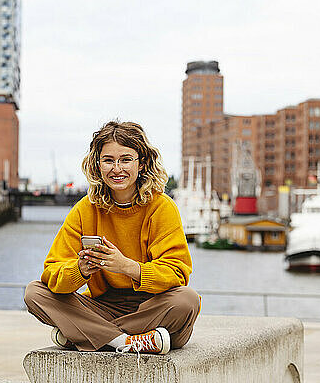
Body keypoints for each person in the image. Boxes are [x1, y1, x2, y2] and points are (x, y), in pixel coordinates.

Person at [24, 121, 200, 355]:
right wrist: (81, 269)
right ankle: (125, 341)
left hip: (153, 306)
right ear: (98, 164)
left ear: (142, 163)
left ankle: (82, 335)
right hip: (101, 306)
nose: (117, 169)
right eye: (108, 160)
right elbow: (51, 273)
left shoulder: (162, 207)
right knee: (35, 293)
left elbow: (177, 273)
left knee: (187, 300)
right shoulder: (85, 209)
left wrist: (126, 266)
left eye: (126, 159)